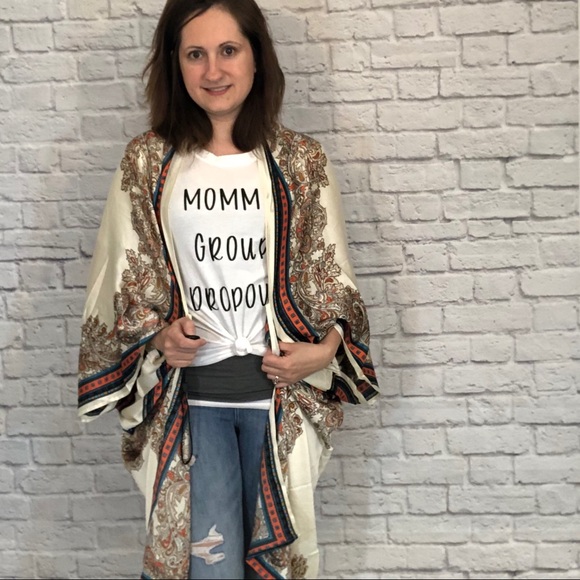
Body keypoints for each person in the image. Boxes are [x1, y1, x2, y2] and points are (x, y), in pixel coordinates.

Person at [77, 0, 379, 578]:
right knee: (209, 569)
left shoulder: (301, 162)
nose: (213, 71)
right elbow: (121, 281)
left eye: (228, 50)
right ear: (176, 64)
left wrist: (324, 350)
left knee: (276, 566)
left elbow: (333, 277)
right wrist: (158, 337)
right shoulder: (148, 163)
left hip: (279, 401)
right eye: (195, 54)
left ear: (256, 58)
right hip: (192, 403)